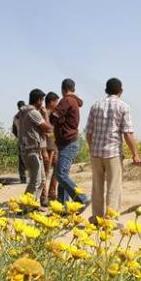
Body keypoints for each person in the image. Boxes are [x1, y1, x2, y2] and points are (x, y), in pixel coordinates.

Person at [85, 78, 140, 222]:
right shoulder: (123, 107)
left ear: (106, 90)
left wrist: (92, 149)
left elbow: (89, 132)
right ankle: (110, 220)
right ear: (121, 91)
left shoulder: (95, 106)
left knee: (97, 187)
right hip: (113, 153)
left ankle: (96, 218)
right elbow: (127, 133)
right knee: (113, 187)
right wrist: (135, 154)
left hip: (96, 153)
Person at [50, 78, 89, 209]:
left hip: (68, 143)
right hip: (69, 142)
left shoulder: (66, 100)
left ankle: (82, 199)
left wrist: (53, 113)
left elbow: (54, 117)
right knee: (63, 175)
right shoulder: (74, 101)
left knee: (60, 174)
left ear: (63, 89)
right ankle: (63, 206)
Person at [17, 89, 53, 199]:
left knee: (41, 180)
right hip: (32, 150)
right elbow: (47, 128)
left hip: (30, 149)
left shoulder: (22, 112)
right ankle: (26, 205)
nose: (42, 103)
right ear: (38, 100)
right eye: (41, 100)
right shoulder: (33, 112)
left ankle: (33, 204)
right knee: (36, 180)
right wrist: (46, 115)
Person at [40, 92, 59, 206]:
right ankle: (43, 196)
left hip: (54, 146)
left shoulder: (54, 113)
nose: (57, 104)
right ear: (51, 102)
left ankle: (52, 192)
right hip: (46, 147)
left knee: (58, 169)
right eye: (56, 101)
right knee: (45, 173)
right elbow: (47, 129)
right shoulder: (43, 112)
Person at [12, 101, 27, 184]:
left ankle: (23, 178)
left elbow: (13, 131)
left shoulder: (16, 117)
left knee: (22, 160)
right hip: (29, 140)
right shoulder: (29, 115)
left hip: (21, 141)